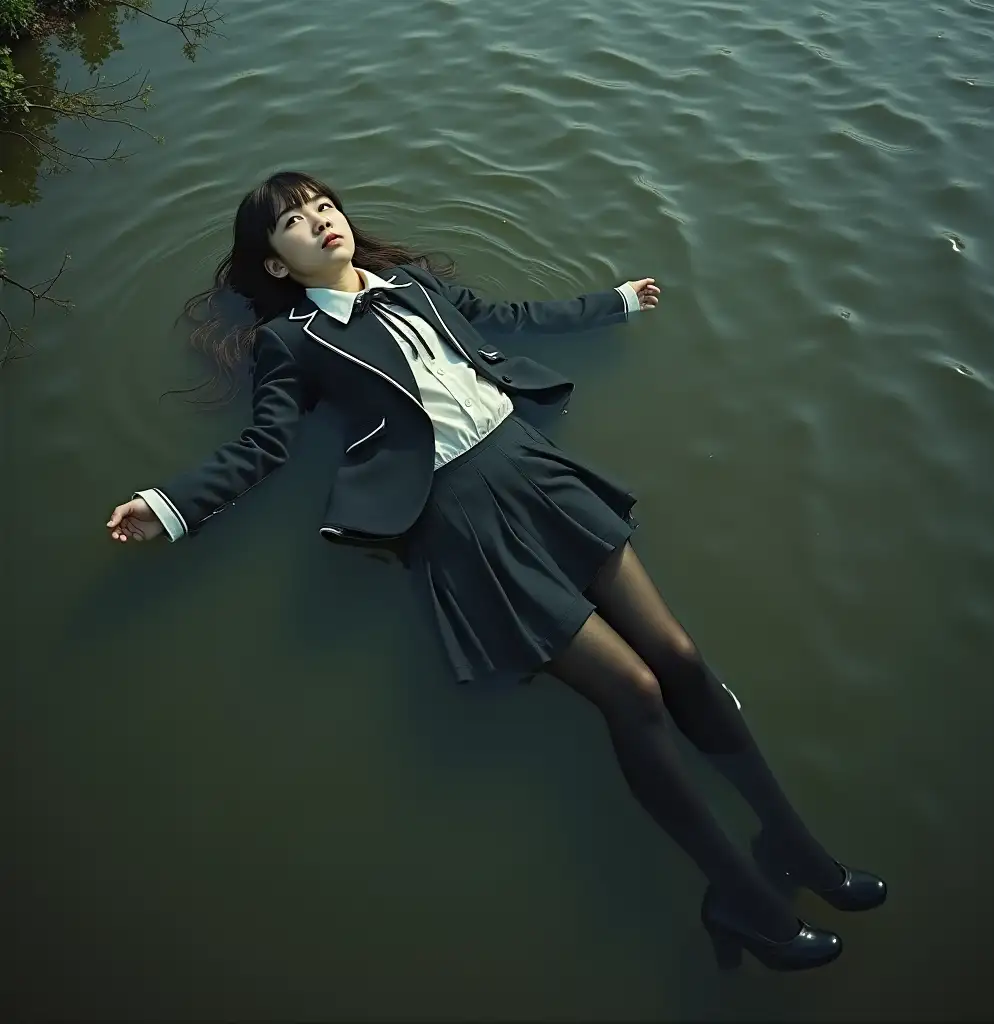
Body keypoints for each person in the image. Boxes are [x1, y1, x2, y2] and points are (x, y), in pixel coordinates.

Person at [105, 170, 886, 971]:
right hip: (459, 518)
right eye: (295, 224)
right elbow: (265, 445)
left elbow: (507, 320)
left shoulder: (412, 283)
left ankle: (793, 846)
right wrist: (168, 505)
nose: (321, 223)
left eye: (323, 207)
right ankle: (738, 897)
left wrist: (611, 301)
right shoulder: (293, 341)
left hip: (535, 473)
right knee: (636, 693)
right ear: (275, 265)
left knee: (682, 661)